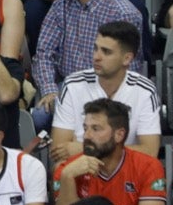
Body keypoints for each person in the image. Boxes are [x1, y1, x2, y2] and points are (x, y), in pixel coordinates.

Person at [53, 97, 167, 205]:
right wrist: (67, 177)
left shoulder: (148, 166)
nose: (86, 136)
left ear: (119, 135)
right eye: (85, 128)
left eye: (96, 129)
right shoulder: (68, 169)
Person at [53, 21, 161, 161]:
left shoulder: (145, 91)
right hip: (81, 169)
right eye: (95, 48)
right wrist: (123, 151)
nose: (96, 57)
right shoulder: (73, 85)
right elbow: (59, 152)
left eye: (106, 52)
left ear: (127, 58)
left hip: (125, 172)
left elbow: (150, 153)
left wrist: (85, 148)